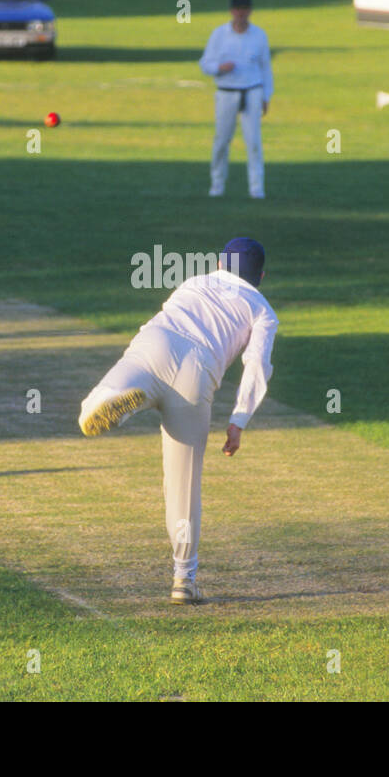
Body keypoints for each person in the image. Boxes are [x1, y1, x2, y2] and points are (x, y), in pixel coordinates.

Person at [78, 238, 278, 605]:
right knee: (183, 484)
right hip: (196, 374)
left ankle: (110, 399)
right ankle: (183, 579)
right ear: (260, 275)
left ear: (220, 263)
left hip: (156, 342)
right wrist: (238, 420)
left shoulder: (195, 281)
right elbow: (256, 367)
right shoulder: (263, 310)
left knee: (102, 396)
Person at [198, 0, 273, 199]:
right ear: (231, 11)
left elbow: (266, 68)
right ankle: (217, 185)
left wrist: (266, 95)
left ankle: (256, 188)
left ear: (250, 11)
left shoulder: (259, 35)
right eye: (238, 9)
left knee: (254, 141)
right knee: (222, 140)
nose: (241, 13)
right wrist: (219, 68)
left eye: (245, 9)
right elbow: (205, 64)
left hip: (252, 91)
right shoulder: (219, 35)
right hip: (226, 91)